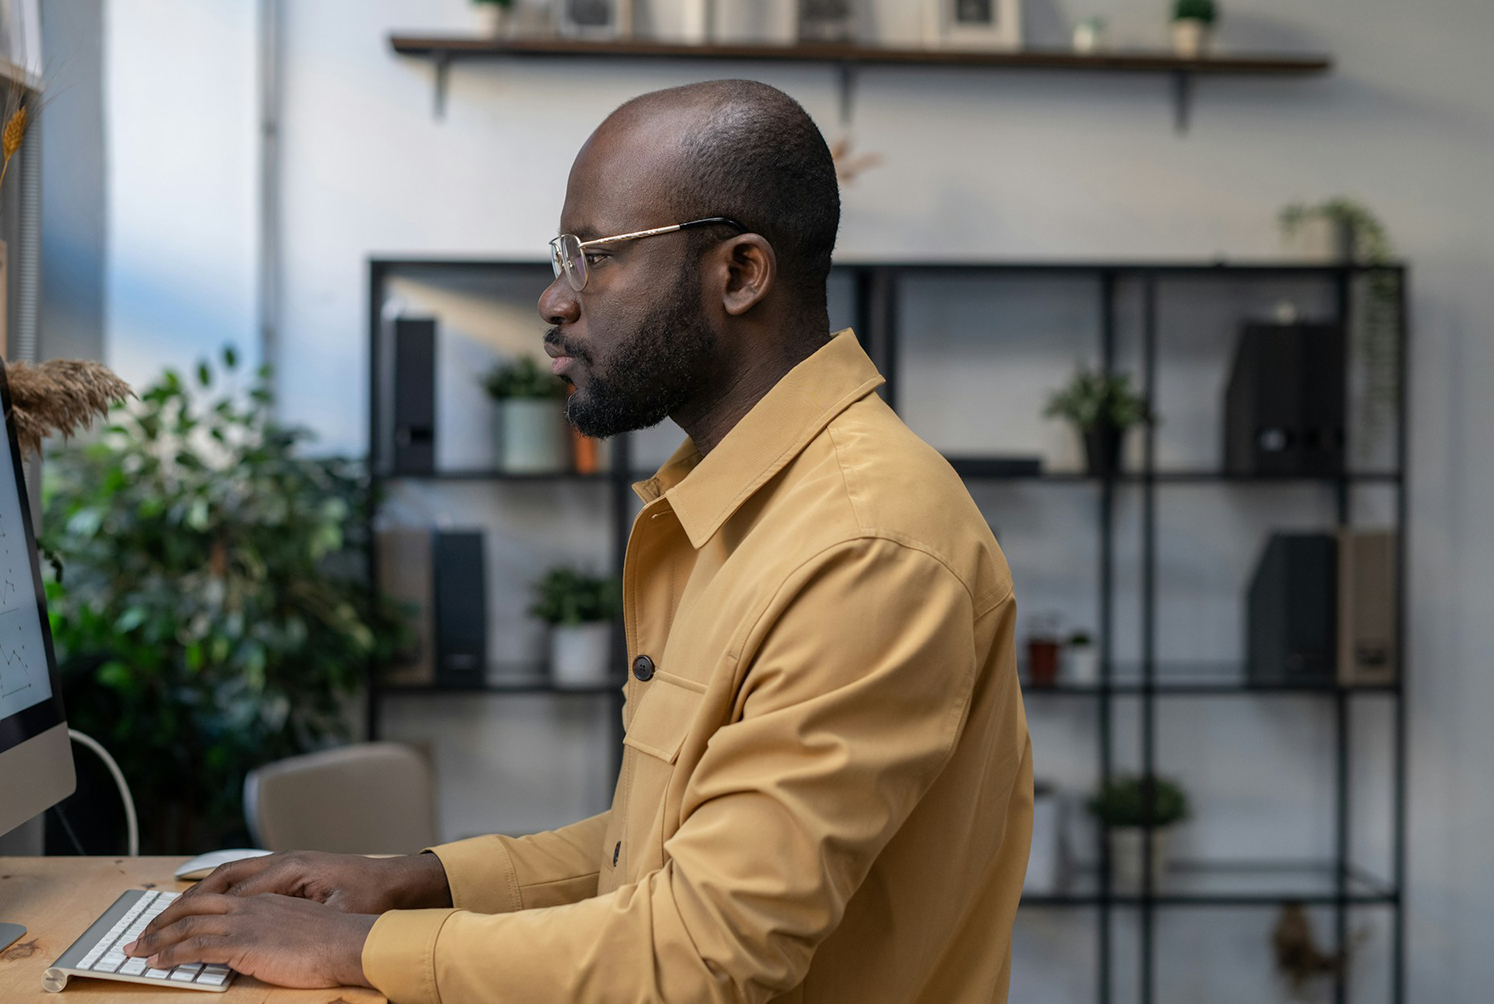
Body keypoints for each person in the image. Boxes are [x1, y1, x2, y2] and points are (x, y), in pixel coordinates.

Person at [124, 79, 1033, 1004]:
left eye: (593, 255)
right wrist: (413, 881)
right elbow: (662, 857)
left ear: (740, 273)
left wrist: (352, 951)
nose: (556, 300)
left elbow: (699, 955)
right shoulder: (742, 506)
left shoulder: (863, 547)